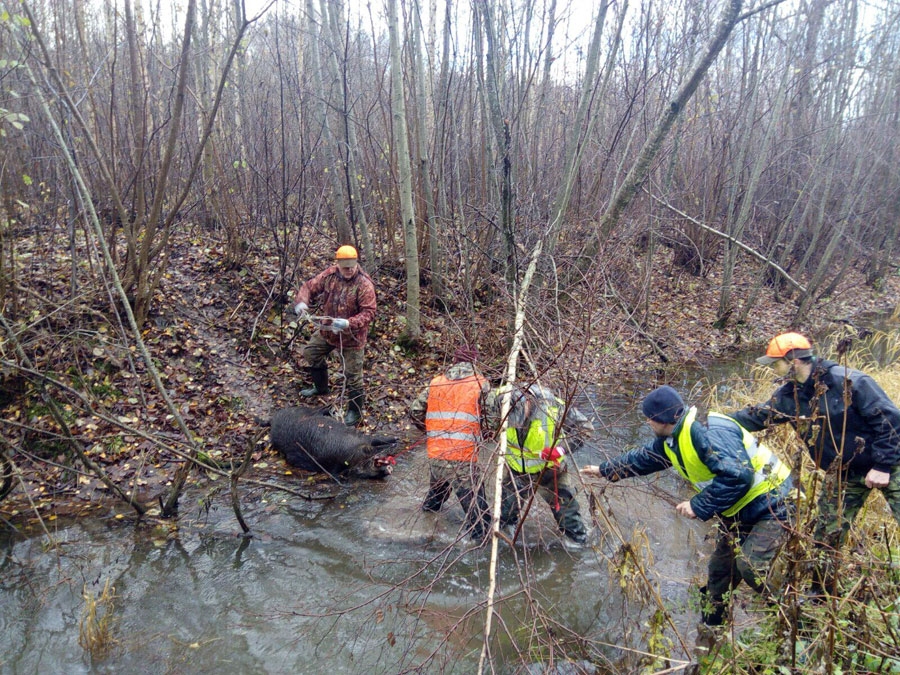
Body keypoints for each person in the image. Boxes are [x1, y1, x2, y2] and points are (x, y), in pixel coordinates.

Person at [581, 385, 794, 629]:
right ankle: (711, 630)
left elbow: (739, 477)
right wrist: (605, 470)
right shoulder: (673, 439)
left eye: (649, 418)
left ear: (661, 418)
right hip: (739, 508)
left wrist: (698, 504)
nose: (648, 423)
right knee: (719, 572)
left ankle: (789, 616)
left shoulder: (705, 432)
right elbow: (643, 459)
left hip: (774, 501)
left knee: (750, 566)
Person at [729, 331, 900, 595]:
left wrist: (883, 466)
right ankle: (821, 595)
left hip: (889, 464)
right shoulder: (790, 396)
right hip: (841, 474)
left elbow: (890, 422)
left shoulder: (851, 382)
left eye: (776, 363)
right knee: (826, 539)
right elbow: (758, 417)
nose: (773, 369)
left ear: (793, 361)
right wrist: (715, 423)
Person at [488, 384, 592, 545]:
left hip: (551, 471)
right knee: (505, 515)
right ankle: (507, 542)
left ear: (526, 404)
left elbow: (585, 427)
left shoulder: (551, 406)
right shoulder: (497, 403)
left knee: (567, 518)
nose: (516, 424)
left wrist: (561, 449)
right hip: (517, 471)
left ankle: (579, 546)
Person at [409, 346, 492, 542]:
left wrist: (431, 432)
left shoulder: (436, 383)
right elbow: (491, 420)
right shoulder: (481, 384)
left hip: (437, 453)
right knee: (479, 518)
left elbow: (415, 412)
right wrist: (485, 436)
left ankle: (425, 528)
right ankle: (481, 547)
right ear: (474, 362)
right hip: (463, 458)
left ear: (454, 362)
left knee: (435, 499)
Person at [294, 245, 376, 426]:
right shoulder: (329, 276)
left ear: (356, 263)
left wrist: (349, 323)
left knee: (353, 376)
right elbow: (309, 287)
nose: (348, 270)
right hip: (328, 330)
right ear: (338, 264)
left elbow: (369, 312)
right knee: (311, 353)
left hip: (352, 338)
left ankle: (355, 412)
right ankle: (321, 388)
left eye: (351, 267)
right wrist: (301, 302)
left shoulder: (364, 284)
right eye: (345, 267)